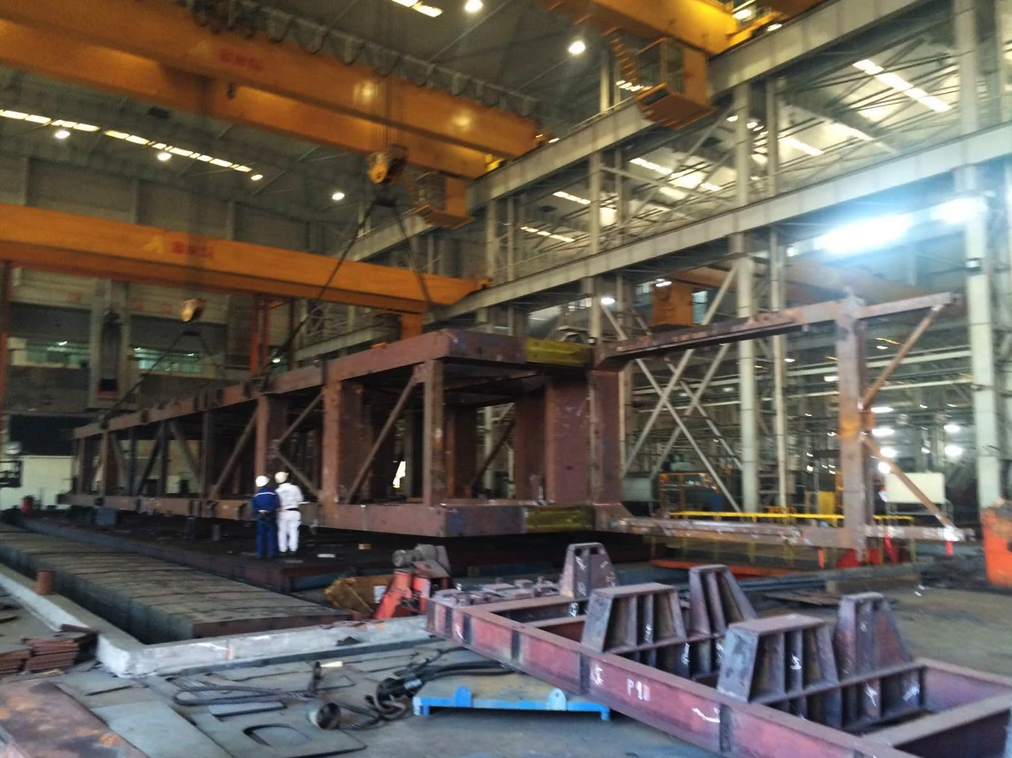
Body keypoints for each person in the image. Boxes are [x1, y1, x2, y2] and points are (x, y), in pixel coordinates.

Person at [275, 471, 304, 554]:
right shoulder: (295, 488)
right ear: (287, 478)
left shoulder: (277, 491)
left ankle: (283, 549)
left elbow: (276, 503)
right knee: (293, 531)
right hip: (294, 512)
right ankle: (293, 549)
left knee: (282, 531)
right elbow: (300, 499)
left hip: (282, 512)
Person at [251, 475, 279, 559]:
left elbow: (254, 507)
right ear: (267, 483)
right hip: (270, 516)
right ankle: (272, 553)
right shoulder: (272, 493)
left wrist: (260, 512)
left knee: (261, 536)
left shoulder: (256, 495)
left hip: (261, 517)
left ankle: (260, 554)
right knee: (271, 535)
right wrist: (268, 511)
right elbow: (275, 504)